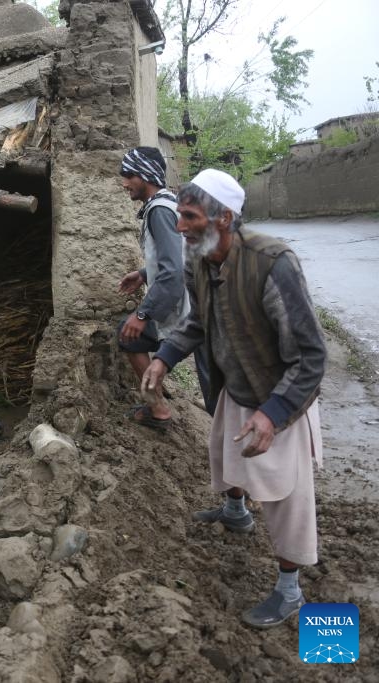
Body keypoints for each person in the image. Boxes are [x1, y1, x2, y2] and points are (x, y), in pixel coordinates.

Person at [142, 168, 326, 628]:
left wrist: (275, 414)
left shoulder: (272, 263)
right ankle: (236, 511)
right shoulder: (199, 260)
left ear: (223, 217)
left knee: (287, 499)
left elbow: (310, 355)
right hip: (238, 387)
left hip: (281, 397)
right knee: (225, 457)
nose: (179, 226)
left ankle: (290, 592)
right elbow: (198, 322)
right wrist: (164, 357)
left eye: (188, 216)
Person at [116, 147, 212, 430]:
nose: (125, 183)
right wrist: (145, 274)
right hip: (194, 302)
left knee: (130, 335)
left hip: (184, 305)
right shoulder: (167, 203)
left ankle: (158, 409)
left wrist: (143, 314)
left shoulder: (158, 210)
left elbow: (173, 272)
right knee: (210, 375)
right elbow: (177, 258)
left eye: (129, 175)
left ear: (146, 175)